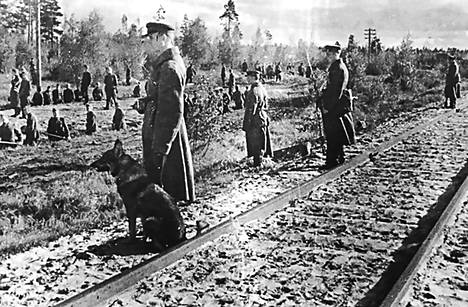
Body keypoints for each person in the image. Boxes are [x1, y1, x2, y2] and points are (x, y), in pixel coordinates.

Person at [138, 21, 195, 203]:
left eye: (150, 40)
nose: (147, 45)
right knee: (167, 194)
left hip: (166, 140)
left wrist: (161, 149)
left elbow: (171, 112)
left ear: (162, 38)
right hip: (165, 137)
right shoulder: (165, 66)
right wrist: (146, 103)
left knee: (168, 193)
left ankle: (169, 229)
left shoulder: (169, 67)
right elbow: (162, 99)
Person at [320, 41, 354, 169]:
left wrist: (327, 107)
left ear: (337, 54)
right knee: (337, 134)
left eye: (330, 54)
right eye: (327, 54)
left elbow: (336, 91)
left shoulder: (337, 68)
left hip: (335, 107)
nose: (327, 56)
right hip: (338, 107)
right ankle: (339, 158)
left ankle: (331, 162)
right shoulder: (338, 66)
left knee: (333, 135)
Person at [242, 70, 272, 167]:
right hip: (262, 118)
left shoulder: (253, 91)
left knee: (256, 144)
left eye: (248, 76)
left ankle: (258, 165)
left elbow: (251, 109)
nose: (247, 78)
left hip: (255, 120)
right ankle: (261, 163)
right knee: (261, 142)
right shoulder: (261, 88)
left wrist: (246, 124)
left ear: (253, 77)